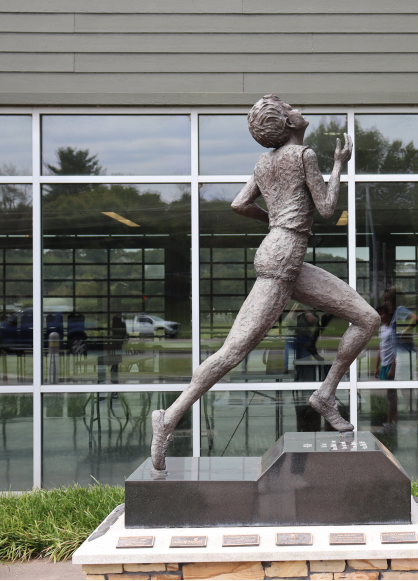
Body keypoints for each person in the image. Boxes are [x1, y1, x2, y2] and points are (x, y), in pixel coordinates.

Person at [149, 94, 380, 472]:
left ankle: (324, 394)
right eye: (290, 108)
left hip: (285, 258)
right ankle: (169, 418)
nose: (297, 109)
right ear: (288, 124)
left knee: (368, 319)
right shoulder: (303, 155)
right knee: (233, 351)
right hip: (281, 262)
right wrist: (339, 166)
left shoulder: (263, 163)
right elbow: (325, 209)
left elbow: (239, 204)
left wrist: (276, 223)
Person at [383, 287, 418, 380]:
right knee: (404, 386)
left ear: (393, 300)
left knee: (403, 387)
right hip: (402, 353)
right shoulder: (396, 314)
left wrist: (405, 331)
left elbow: (415, 318)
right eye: (385, 300)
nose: (386, 303)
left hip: (404, 354)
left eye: (388, 300)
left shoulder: (400, 310)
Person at [374, 304, 396, 381]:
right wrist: (377, 367)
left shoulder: (393, 328)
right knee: (384, 387)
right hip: (384, 364)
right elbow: (381, 348)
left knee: (391, 389)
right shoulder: (382, 328)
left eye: (381, 314)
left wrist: (392, 369)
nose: (380, 317)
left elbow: (397, 350)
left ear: (388, 314)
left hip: (390, 364)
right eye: (378, 314)